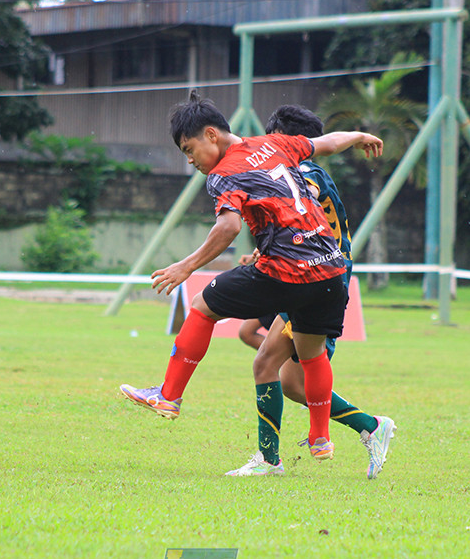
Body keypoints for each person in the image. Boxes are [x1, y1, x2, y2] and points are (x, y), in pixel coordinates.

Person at [120, 90, 382, 471]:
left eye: (189, 149)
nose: (190, 160)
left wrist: (187, 266)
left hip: (288, 272)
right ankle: (320, 439)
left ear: (211, 134)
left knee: (202, 307)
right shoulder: (275, 144)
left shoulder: (225, 174)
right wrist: (358, 136)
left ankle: (169, 395)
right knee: (304, 359)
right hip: (331, 272)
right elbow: (326, 143)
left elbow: (227, 227)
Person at [227, 104, 395, 478]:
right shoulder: (311, 171)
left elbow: (302, 200)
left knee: (266, 364)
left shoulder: (302, 171)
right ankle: (371, 426)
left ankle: (270, 461)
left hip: (313, 280)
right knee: (290, 382)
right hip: (321, 276)